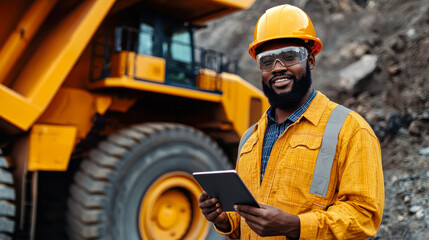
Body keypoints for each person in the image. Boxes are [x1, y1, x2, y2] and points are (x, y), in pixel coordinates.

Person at [198, 4, 384, 240]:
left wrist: (295, 226)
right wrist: (226, 221)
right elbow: (248, 222)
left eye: (289, 57)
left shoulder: (351, 129)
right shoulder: (250, 139)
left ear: (311, 60)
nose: (278, 68)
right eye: (267, 61)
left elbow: (365, 216)